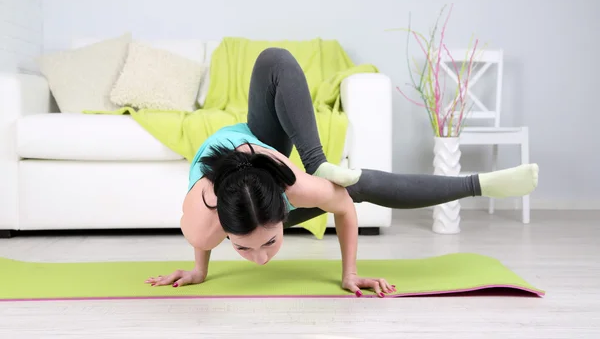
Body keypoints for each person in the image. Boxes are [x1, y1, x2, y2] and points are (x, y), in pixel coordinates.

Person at [145, 48, 539, 298]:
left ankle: (478, 184)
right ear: (223, 229)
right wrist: (199, 270)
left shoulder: (293, 186)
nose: (260, 260)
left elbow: (344, 208)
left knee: (274, 61)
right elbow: (203, 230)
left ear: (284, 212)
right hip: (235, 175)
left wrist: (350, 273)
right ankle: (478, 185)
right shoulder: (202, 222)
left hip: (265, 154)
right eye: (243, 247)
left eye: (268, 242)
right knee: (352, 186)